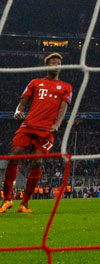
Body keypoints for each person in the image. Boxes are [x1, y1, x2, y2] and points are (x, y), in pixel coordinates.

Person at [1, 53, 72, 214]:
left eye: (59, 62)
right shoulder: (35, 83)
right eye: (53, 61)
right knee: (14, 155)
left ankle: (24, 203)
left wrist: (57, 124)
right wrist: (19, 111)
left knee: (38, 162)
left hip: (46, 130)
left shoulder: (66, 87)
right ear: (47, 65)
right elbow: (24, 101)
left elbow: (63, 107)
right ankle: (7, 199)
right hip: (28, 125)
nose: (56, 64)